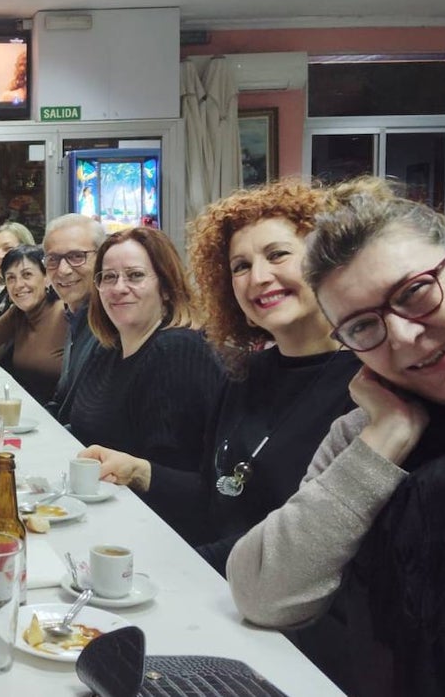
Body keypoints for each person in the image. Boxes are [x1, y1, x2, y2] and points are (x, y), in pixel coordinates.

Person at [227, 179, 445, 696]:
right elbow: (262, 591)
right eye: (361, 327)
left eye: (415, 292)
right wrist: (387, 438)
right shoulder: (362, 430)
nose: (402, 336)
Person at [78, 183, 359, 571]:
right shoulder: (244, 374)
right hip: (214, 582)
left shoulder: (365, 387)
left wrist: (174, 570)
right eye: (240, 266)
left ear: (327, 262)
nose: (258, 277)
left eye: (277, 255)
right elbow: (215, 498)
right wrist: (139, 471)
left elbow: (315, 548)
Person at [65, 227, 224, 474]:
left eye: (135, 275)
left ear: (167, 288)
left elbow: (178, 475)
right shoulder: (107, 348)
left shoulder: (176, 352)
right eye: (108, 277)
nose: (119, 288)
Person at [0, 245, 67, 401]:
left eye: (27, 275)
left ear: (47, 278)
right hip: (24, 409)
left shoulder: (65, 313)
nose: (18, 285)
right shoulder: (18, 313)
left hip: (57, 418)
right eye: (11, 278)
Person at [44, 214, 107, 420]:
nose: (63, 270)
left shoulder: (111, 323)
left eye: (76, 256)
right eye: (53, 259)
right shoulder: (74, 315)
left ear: (102, 259)